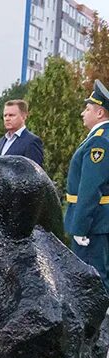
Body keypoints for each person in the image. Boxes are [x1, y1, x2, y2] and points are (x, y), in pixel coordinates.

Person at [64, 80, 109, 293]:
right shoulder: (99, 138)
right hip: (97, 220)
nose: (83, 113)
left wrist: (80, 226)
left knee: (92, 280)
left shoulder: (99, 142)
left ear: (100, 113)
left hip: (93, 222)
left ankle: (99, 327)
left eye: (88, 109)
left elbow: (91, 188)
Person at [0, 99, 44, 167]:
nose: (7, 118)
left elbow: (34, 173)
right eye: (5, 115)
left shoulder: (31, 141)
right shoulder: (1, 141)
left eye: (11, 115)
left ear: (23, 116)